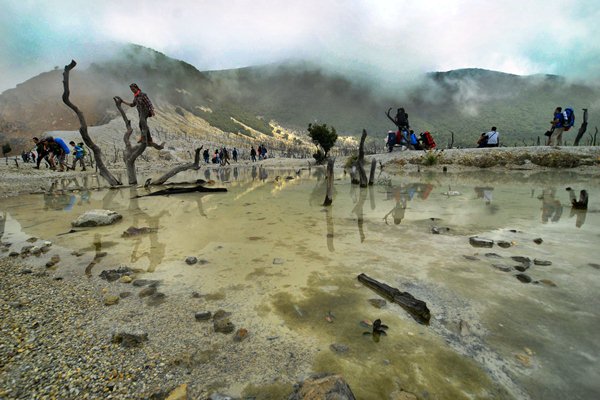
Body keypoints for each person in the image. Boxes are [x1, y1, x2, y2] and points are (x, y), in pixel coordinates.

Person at [118, 83, 163, 149]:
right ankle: (149, 139)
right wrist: (123, 101)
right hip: (140, 112)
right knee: (141, 124)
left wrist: (152, 110)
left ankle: (144, 138)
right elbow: (132, 104)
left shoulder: (142, 94)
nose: (132, 90)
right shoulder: (136, 96)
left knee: (142, 122)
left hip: (145, 111)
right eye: (131, 89)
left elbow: (149, 103)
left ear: (137, 88)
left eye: (133, 89)